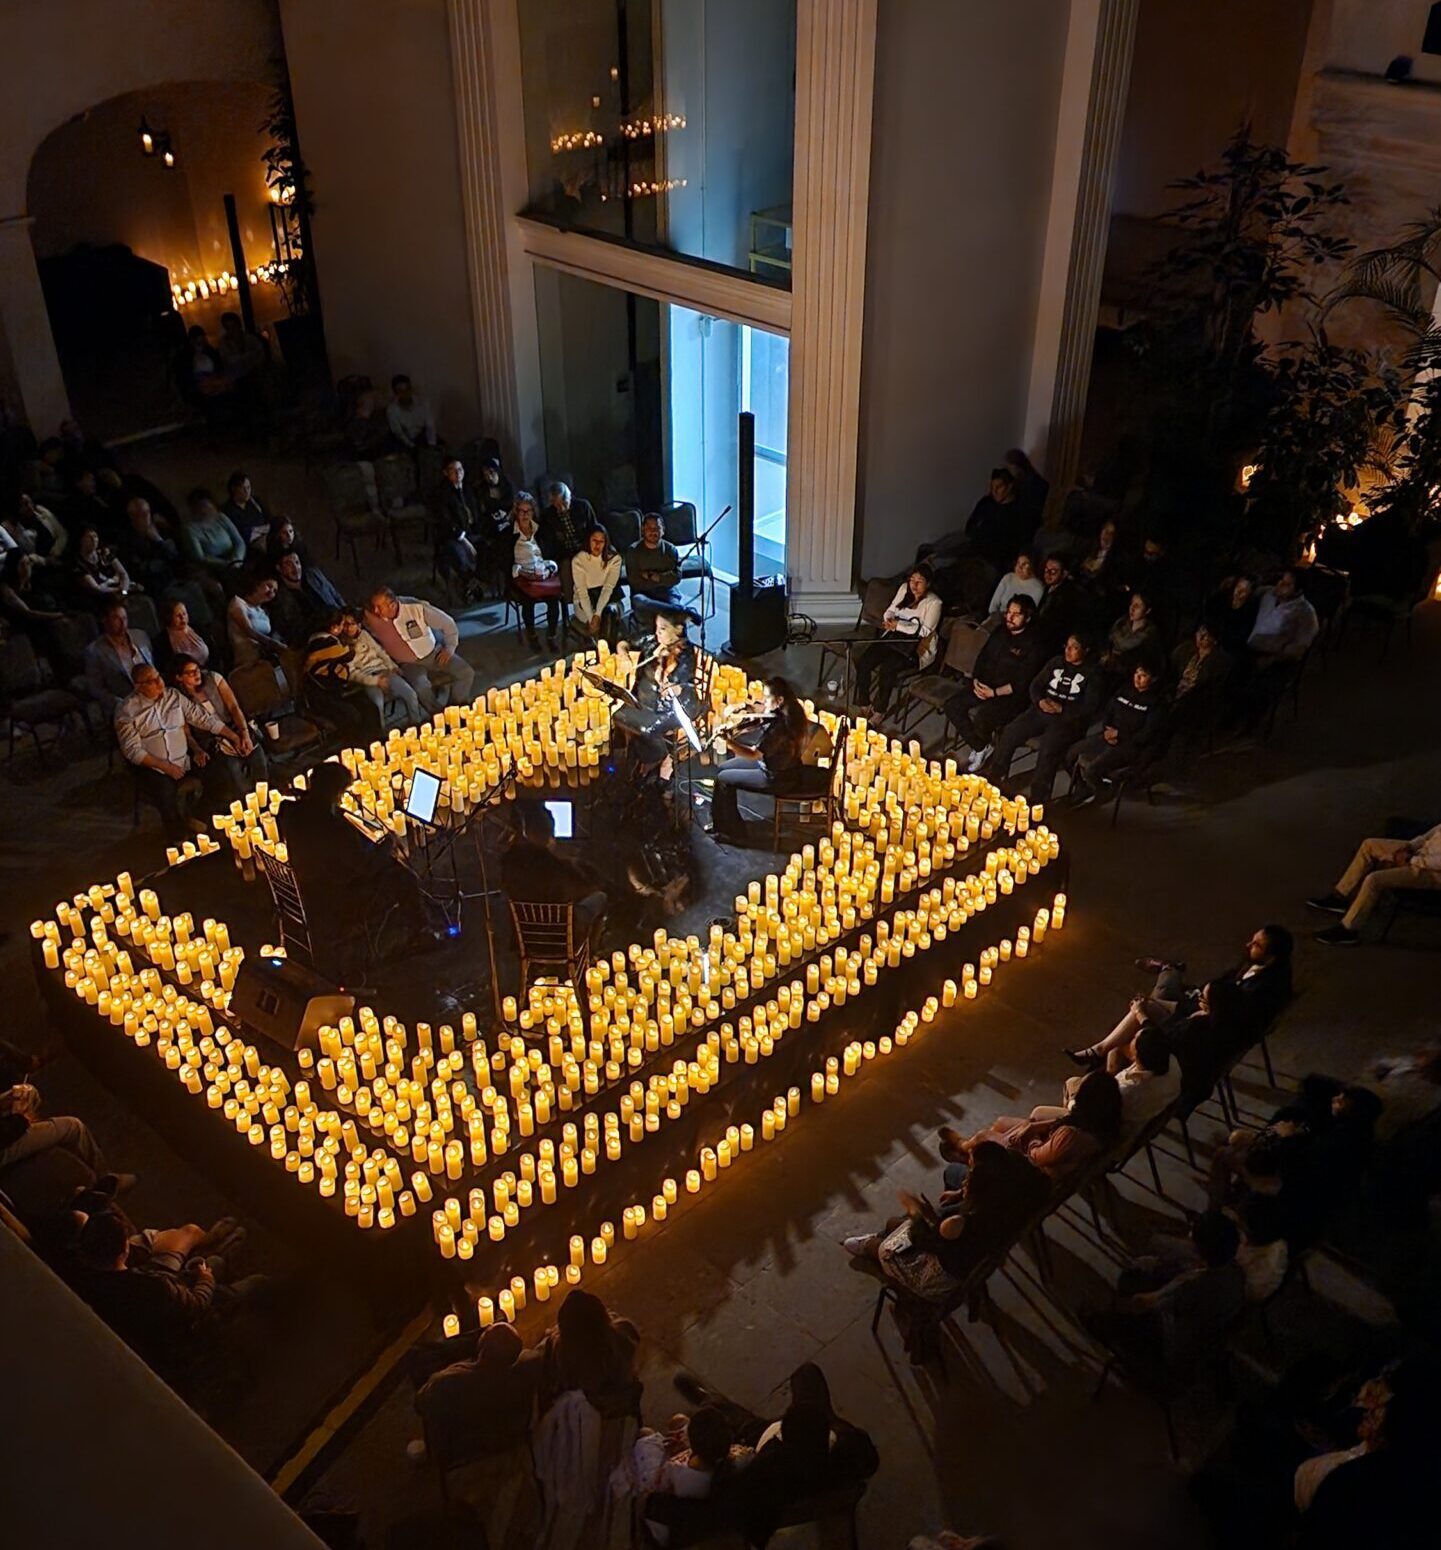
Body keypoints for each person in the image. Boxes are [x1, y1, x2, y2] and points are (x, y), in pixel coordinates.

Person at [842, 1139, 1050, 1300]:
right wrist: (960, 1194)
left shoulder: (960, 1223)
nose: (966, 1176)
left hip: (941, 1274)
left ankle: (872, 1246)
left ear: (979, 1186)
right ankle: (884, 1235)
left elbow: (926, 1242)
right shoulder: (1006, 1192)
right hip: (970, 1252)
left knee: (878, 1246)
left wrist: (915, 1211)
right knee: (892, 1224)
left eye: (970, 1173)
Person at [1066, 924, 1295, 1066]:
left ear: (1271, 957)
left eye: (1256, 945)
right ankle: (1169, 970)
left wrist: (1141, 1015)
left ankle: (1101, 1050)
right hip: (1197, 1006)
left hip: (1191, 1017)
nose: (1248, 945)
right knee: (1157, 995)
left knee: (1150, 1000)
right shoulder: (1256, 969)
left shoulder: (1254, 995)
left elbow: (1165, 1036)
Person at [279, 760, 427, 973]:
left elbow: (306, 808)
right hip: (338, 899)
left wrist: (310, 798)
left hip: (306, 890)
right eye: (341, 793)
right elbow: (365, 867)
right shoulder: (336, 830)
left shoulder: (289, 812)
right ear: (334, 793)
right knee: (404, 878)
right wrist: (388, 846)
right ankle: (419, 931)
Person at [73, 1208, 260, 1371]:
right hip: (181, 1326)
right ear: (125, 1251)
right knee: (254, 1282)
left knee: (211, 1261)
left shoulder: (83, 1276)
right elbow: (197, 1305)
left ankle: (217, 1255)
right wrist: (206, 1279)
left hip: (165, 1296)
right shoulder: (152, 1288)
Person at [1094, 1211, 1246, 1371]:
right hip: (1205, 1331)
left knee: (1131, 1283)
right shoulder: (1237, 1273)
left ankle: (1104, 1326)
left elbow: (1146, 1302)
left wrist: (1125, 1305)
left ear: (1199, 1250)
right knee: (1158, 1269)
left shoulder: (1192, 1284)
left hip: (1173, 1344)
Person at [979, 632, 1104, 804]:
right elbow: (1036, 685)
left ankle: (1038, 799)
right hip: (1042, 710)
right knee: (1011, 732)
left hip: (1067, 720)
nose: (1068, 651)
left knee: (1048, 749)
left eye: (1074, 648)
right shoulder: (1055, 663)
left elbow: (1090, 707)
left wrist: (1063, 709)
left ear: (1085, 650)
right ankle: (995, 776)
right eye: (1067, 646)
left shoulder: (1093, 674)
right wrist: (1040, 700)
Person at [115, 663, 236, 836]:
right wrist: (166, 767)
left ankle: (198, 814)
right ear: (138, 686)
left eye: (159, 677)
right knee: (165, 794)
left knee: (220, 772)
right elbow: (132, 751)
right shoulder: (127, 711)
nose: (159, 683)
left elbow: (201, 718)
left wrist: (233, 735)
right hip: (154, 767)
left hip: (183, 759)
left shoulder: (173, 696)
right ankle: (178, 835)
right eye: (151, 681)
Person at [948, 1069, 1123, 1187]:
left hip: (1038, 1170)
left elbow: (1036, 1157)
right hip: (1051, 1146)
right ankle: (973, 1152)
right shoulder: (1100, 1121)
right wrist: (1033, 1127)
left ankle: (966, 1150)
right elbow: (1069, 1120)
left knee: (983, 1136)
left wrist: (1030, 1136)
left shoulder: (1070, 1137)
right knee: (1001, 1123)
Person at [946, 595, 1047, 764]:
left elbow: (1022, 682)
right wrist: (976, 680)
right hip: (985, 685)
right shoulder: (1000, 631)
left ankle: (983, 753)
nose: (1010, 617)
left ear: (1027, 618)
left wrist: (994, 693)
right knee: (952, 705)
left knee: (983, 717)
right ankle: (980, 746)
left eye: (1017, 614)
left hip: (1009, 696)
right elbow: (982, 657)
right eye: (1009, 612)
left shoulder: (1033, 644)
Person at [709, 677, 811, 843]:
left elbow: (752, 754)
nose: (763, 701)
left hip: (777, 777)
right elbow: (761, 718)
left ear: (779, 700)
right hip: (777, 766)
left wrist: (728, 741)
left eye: (766, 698)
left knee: (723, 780)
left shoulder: (779, 729)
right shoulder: (788, 710)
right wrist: (737, 726)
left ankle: (734, 833)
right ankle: (720, 823)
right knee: (722, 769)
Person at [1309, 821, 1441, 945]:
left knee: (1374, 880)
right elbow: (1435, 831)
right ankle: (1340, 895)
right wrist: (1409, 846)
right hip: (1422, 852)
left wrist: (1411, 860)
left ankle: (1349, 929)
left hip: (1432, 871)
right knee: (1369, 845)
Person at [1064, 657, 1167, 807]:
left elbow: (1147, 734)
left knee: (1093, 769)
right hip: (1109, 735)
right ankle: (1083, 787)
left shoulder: (1157, 703)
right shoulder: (1124, 690)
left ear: (1154, 679)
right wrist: (1107, 729)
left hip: (1130, 746)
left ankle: (1104, 791)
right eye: (1137, 673)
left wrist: (1119, 735)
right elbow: (1108, 712)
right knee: (1071, 754)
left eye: (1143, 676)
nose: (1137, 678)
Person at [500, 801, 607, 943]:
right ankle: (590, 951)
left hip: (525, 935)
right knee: (600, 897)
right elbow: (579, 890)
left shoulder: (508, 860)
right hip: (558, 935)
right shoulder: (553, 865)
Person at [612, 610, 701, 776]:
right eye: (657, 628)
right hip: (643, 699)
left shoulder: (685, 653)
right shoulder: (653, 642)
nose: (657, 633)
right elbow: (623, 642)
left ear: (678, 630)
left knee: (645, 728)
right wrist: (623, 655)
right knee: (618, 715)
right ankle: (632, 754)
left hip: (668, 707)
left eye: (663, 629)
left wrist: (670, 684)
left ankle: (657, 757)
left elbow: (682, 682)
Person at [304, 608, 424, 729]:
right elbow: (352, 672)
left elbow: (380, 651)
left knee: (410, 694)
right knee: (377, 705)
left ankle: (416, 726)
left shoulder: (364, 635)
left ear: (358, 624)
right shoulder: (339, 646)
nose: (347, 627)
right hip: (367, 677)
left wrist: (392, 666)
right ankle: (382, 736)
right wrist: (375, 681)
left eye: (352, 624)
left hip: (383, 671)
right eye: (344, 624)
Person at [364, 585, 474, 713]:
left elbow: (448, 623)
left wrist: (450, 648)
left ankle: (455, 710)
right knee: (421, 687)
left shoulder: (417, 608)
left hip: (433, 653)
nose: (375, 611)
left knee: (466, 672)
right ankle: (438, 715)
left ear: (392, 605)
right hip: (409, 664)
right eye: (374, 607)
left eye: (379, 607)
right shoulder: (370, 616)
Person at [170, 655, 266, 801]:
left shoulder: (213, 679)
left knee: (256, 753)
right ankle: (248, 801)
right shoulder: (180, 700)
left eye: (197, 669)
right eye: (190, 673)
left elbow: (233, 707)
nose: (197, 674)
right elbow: (187, 733)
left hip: (232, 725)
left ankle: (265, 794)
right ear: (179, 678)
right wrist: (197, 749)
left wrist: (244, 732)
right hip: (210, 738)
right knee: (231, 767)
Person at [854, 565, 942, 714]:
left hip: (914, 646)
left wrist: (899, 625)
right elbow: (891, 609)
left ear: (928, 584)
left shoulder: (934, 603)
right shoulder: (904, 589)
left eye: (919, 581)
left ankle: (879, 711)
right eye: (912, 580)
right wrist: (888, 619)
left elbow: (925, 630)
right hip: (893, 636)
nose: (914, 585)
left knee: (887, 670)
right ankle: (864, 702)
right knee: (864, 662)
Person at [85, 599, 154, 716]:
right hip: (128, 705)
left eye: (125, 618)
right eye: (117, 619)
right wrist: (119, 703)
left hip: (154, 695)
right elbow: (95, 688)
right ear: (105, 620)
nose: (123, 623)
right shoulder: (95, 651)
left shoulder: (140, 636)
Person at [510, 496, 561, 648]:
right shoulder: (509, 533)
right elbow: (505, 563)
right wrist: (523, 573)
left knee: (554, 597)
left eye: (529, 511)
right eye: (521, 511)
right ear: (516, 512)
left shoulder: (541, 530)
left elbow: (553, 554)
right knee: (527, 599)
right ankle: (531, 634)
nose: (525, 515)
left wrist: (548, 569)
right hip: (521, 576)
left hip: (542, 572)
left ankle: (551, 635)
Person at [962, 468, 1033, 571]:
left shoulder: (1018, 511)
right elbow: (969, 527)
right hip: (974, 546)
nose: (994, 491)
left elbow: (1018, 542)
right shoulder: (986, 503)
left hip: (995, 559)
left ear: (1009, 487)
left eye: (998, 487)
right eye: (992, 487)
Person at [267, 550, 343, 643]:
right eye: (289, 564)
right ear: (279, 568)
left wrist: (346, 612)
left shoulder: (313, 574)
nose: (295, 568)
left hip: (338, 622)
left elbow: (335, 595)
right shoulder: (280, 597)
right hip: (315, 638)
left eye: (297, 562)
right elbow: (286, 630)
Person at [1248, 569, 1319, 666]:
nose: (1280, 585)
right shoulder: (1268, 593)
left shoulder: (1306, 613)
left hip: (1273, 659)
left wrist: (1272, 659)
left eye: (1287, 585)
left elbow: (1299, 647)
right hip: (1248, 646)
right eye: (1281, 580)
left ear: (1298, 590)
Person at [431, 455, 482, 588]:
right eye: (453, 470)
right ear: (446, 473)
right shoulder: (441, 493)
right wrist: (464, 540)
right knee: (459, 553)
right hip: (452, 536)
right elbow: (446, 521)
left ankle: (480, 579)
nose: (458, 473)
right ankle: (468, 582)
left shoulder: (468, 489)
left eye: (460, 469)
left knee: (488, 547)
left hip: (471, 531)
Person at [571, 523, 623, 642]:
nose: (598, 544)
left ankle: (607, 650)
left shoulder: (614, 559)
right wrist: (591, 618)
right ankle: (603, 649)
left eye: (602, 541)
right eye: (594, 540)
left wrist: (598, 614)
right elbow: (582, 592)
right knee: (599, 622)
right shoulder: (579, 560)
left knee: (608, 615)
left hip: (609, 598)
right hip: (585, 600)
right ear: (588, 540)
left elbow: (608, 588)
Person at [625, 511, 685, 613]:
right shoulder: (633, 550)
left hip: (667, 592)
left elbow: (676, 577)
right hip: (642, 594)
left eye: (656, 528)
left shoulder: (670, 549)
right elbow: (634, 581)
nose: (652, 531)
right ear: (643, 530)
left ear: (663, 530)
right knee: (640, 603)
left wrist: (657, 577)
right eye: (649, 528)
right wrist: (662, 578)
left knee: (677, 620)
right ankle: (673, 611)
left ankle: (670, 610)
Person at [117, 497, 178, 595]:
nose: (147, 517)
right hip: (150, 586)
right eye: (142, 514)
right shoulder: (126, 538)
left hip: (171, 580)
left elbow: (174, 556)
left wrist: (159, 541)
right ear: (132, 517)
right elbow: (140, 569)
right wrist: (165, 563)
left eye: (147, 513)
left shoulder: (159, 528)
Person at [178, 488, 246, 575]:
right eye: (201, 506)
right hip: (214, 568)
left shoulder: (221, 517)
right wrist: (227, 564)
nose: (205, 509)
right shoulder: (189, 530)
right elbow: (200, 557)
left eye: (207, 505)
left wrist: (237, 559)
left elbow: (239, 541)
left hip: (236, 562)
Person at [226, 572, 286, 665]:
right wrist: (275, 645)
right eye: (269, 586)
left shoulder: (263, 611)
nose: (271, 592)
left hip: (267, 658)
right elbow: (248, 630)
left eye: (274, 591)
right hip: (247, 660)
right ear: (257, 584)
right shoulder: (238, 603)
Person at [1101, 591, 1160, 674]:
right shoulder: (1122, 622)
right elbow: (1110, 638)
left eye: (1137, 606)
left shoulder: (1149, 633)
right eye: (1132, 604)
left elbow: (1126, 646)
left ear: (1147, 610)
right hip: (1110, 666)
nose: (1132, 608)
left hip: (1129, 673)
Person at [540, 479, 597, 565]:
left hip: (586, 549)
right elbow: (549, 543)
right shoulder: (547, 516)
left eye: (565, 503)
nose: (562, 509)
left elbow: (595, 528)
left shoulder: (583, 506)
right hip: (565, 554)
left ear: (570, 496)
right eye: (558, 505)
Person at [1171, 620, 1230, 703]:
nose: (1200, 637)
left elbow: (1212, 692)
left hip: (1197, 702)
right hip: (1176, 694)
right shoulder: (1185, 649)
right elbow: (1171, 668)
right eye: (1199, 631)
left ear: (1214, 640)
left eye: (1206, 635)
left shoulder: (1219, 663)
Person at [1035, 553, 1084, 653]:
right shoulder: (1049, 587)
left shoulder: (1068, 596)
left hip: (1051, 642)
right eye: (1046, 570)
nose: (1048, 574)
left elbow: (1057, 625)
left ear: (1064, 573)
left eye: (1053, 571)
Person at [70, 526, 131, 604]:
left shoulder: (105, 553)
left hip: (118, 590)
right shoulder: (78, 563)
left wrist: (124, 591)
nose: (93, 540)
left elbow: (123, 574)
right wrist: (118, 590)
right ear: (81, 540)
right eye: (89, 537)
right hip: (99, 597)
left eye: (95, 536)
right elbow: (96, 588)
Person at [1206, 574, 1260, 656]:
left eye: (1244, 590)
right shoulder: (1221, 599)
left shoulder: (1249, 611)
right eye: (1238, 587)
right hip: (1211, 639)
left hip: (1229, 649)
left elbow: (1241, 636)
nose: (1239, 592)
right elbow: (1210, 616)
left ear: (1250, 593)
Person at [386, 373, 437, 450]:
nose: (405, 394)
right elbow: (399, 434)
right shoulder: (392, 410)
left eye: (408, 389)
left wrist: (432, 445)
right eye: (400, 391)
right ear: (395, 393)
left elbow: (430, 426)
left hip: (423, 438)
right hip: (404, 444)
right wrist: (413, 448)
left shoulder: (422, 403)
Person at [985, 551, 1044, 617]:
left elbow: (1029, 615)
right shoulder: (1008, 577)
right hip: (998, 618)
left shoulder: (1038, 588)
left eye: (1024, 564)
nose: (1019, 567)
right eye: (1018, 563)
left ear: (1032, 566)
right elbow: (993, 605)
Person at [221, 471, 269, 547]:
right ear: (234, 489)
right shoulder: (228, 510)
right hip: (248, 544)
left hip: (267, 536)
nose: (247, 492)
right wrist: (260, 530)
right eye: (243, 488)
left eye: (248, 487)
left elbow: (269, 517)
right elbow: (241, 532)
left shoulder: (255, 502)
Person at [160, 598, 209, 669]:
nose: (182, 618)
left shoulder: (199, 629)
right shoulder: (162, 640)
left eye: (184, 614)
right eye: (178, 616)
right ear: (169, 617)